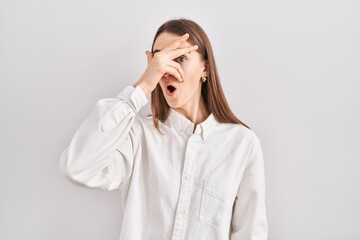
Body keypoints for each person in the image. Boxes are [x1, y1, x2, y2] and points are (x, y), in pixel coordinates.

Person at [60, 18, 268, 240]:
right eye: (160, 60)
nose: (167, 70)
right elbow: (77, 167)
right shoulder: (137, 136)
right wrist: (141, 87)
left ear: (204, 68)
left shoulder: (241, 144)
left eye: (180, 58)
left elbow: (250, 233)